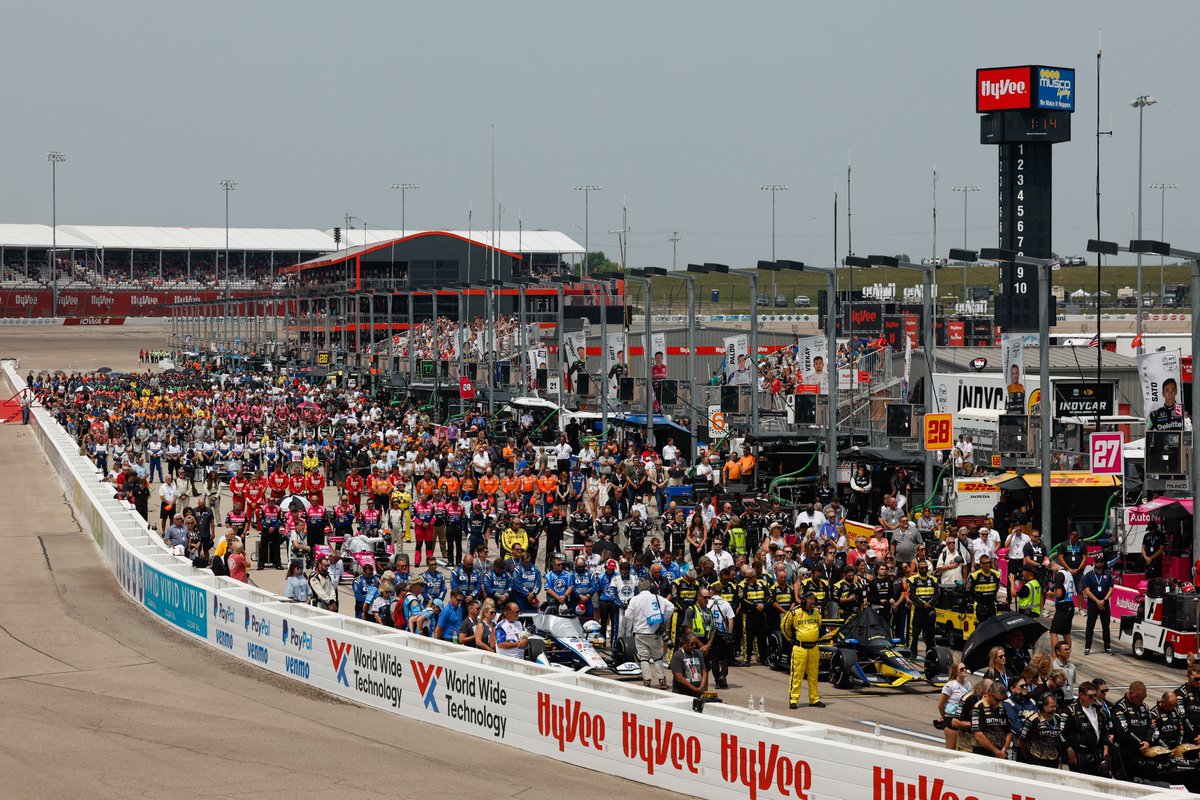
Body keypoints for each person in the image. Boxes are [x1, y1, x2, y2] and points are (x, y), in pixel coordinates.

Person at [622, 578, 675, 689]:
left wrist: (630, 626)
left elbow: (627, 616)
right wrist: (663, 619)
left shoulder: (635, 599)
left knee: (644, 657)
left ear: (639, 588)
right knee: (657, 657)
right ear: (649, 587)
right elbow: (671, 607)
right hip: (654, 631)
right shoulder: (658, 598)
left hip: (640, 632)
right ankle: (662, 681)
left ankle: (647, 680)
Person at [781, 593, 824, 709]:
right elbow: (784, 626)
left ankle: (814, 699)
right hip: (800, 648)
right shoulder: (794, 612)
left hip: (814, 648)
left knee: (814, 675)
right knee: (797, 674)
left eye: (813, 603)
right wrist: (791, 639)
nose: (812, 605)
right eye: (810, 603)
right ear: (804, 601)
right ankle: (793, 699)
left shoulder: (817, 612)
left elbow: (819, 625)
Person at [1063, 681, 1110, 776]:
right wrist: (1069, 750)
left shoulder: (1098, 708)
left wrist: (1106, 752)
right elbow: (1062, 733)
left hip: (1097, 753)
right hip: (1080, 755)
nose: (1093, 698)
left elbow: (1105, 731)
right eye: (1090, 696)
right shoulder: (1070, 711)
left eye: (1094, 695)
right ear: (1081, 695)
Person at [1018, 693, 1062, 768]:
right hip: (1037, 760)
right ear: (1043, 705)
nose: (1055, 709)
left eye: (1055, 706)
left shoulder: (1058, 719)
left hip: (1054, 760)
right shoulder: (1032, 720)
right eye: (1052, 707)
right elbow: (1022, 741)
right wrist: (1027, 757)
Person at [1081, 557, 1113, 655]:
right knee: (1090, 626)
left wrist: (1104, 600)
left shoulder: (1107, 575)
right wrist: (1097, 601)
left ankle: (1107, 647)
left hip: (1105, 604)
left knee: (1106, 626)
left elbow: (1111, 589)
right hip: (1093, 604)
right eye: (1097, 562)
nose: (1099, 563)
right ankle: (1087, 647)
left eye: (1101, 561)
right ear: (1094, 563)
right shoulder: (1089, 575)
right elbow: (1086, 590)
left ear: (1103, 563)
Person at [972, 681, 1012, 759]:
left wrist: (1003, 750)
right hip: (983, 752)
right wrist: (996, 752)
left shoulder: (1001, 706)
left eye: (1001, 700)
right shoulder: (978, 707)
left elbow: (1009, 732)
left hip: (1002, 753)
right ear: (989, 694)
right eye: (997, 700)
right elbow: (978, 735)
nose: (999, 702)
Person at [938, 661, 972, 749]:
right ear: (956, 672)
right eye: (961, 669)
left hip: (963, 719)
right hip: (951, 719)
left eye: (965, 668)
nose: (965, 670)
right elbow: (941, 704)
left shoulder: (968, 685)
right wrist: (944, 716)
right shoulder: (950, 685)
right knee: (951, 750)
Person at [670, 632, 709, 697]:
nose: (694, 646)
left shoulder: (698, 654)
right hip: (682, 693)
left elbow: (704, 671)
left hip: (697, 692)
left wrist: (701, 687)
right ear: (684, 643)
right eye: (692, 644)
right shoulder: (677, 656)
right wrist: (694, 689)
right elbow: (679, 678)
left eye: (695, 644)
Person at [1049, 562, 1077, 651]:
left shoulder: (1059, 574)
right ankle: (1066, 657)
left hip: (1063, 605)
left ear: (1053, 565)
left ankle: (1056, 656)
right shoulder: (1068, 572)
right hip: (1070, 604)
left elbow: (1058, 594)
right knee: (1066, 633)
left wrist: (1050, 593)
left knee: (1053, 632)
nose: (1051, 571)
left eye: (1051, 568)